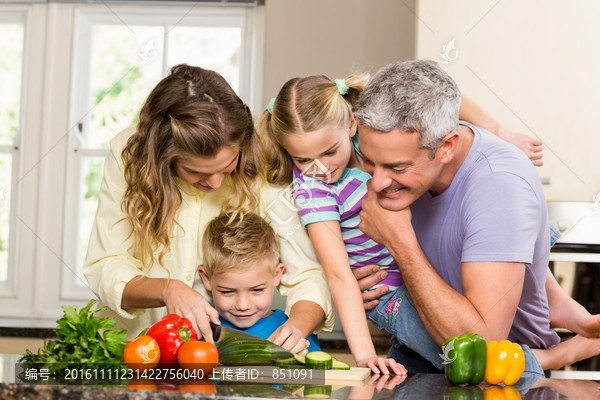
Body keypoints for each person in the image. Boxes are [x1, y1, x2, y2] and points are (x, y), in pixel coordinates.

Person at [257, 73, 554, 374]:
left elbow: (439, 96)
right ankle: (545, 360)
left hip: (423, 266)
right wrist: (364, 357)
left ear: (351, 124)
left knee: (521, 230)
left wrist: (500, 131)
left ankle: (561, 310)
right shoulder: (313, 190)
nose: (320, 168)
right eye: (303, 159)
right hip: (388, 293)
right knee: (458, 359)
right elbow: (338, 275)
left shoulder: (374, 133)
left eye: (330, 152)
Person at [354, 59, 600, 377]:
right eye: (370, 162)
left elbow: (478, 346)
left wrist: (398, 241)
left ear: (447, 148)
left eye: (397, 168)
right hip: (412, 354)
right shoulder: (413, 137)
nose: (376, 185)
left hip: (499, 378)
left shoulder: (499, 185)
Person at [83, 64, 334, 354]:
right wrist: (168, 288)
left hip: (211, 355)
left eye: (228, 167)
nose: (215, 183)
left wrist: (297, 327)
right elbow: (105, 265)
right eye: (195, 172)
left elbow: (306, 275)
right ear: (163, 158)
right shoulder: (129, 154)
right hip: (133, 348)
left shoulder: (262, 159)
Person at [198, 212, 321, 353]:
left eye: (256, 290)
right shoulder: (200, 332)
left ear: (277, 275)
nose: (243, 306)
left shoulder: (293, 333)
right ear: (206, 279)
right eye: (227, 291)